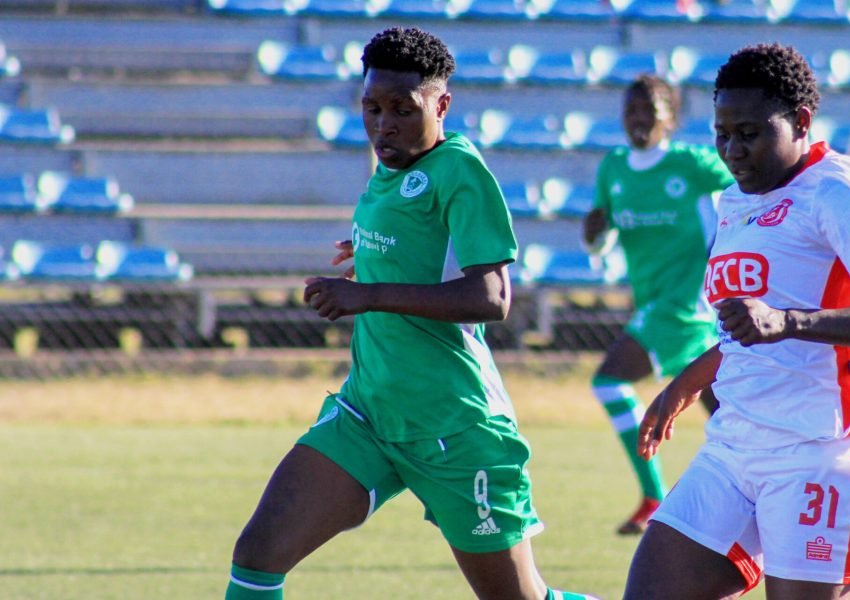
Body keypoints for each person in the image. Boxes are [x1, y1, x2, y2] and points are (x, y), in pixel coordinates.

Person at [225, 27, 591, 600]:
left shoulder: (459, 171)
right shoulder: (387, 168)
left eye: (402, 108)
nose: (383, 123)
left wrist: (368, 295)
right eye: (371, 107)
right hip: (369, 413)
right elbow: (417, 250)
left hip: (454, 427)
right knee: (258, 554)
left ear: (441, 104)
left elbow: (492, 298)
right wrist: (365, 262)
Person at [624, 43, 850, 600]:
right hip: (735, 446)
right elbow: (746, 330)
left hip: (823, 452)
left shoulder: (838, 190)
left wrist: (789, 321)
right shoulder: (736, 200)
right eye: (722, 133)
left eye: (750, 133)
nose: (733, 150)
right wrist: (685, 384)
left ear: (801, 121)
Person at [581, 73, 734, 535]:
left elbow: (750, 185)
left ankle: (654, 497)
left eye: (650, 111)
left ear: (671, 119)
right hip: (654, 302)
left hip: (684, 305)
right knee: (724, 412)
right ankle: (766, 484)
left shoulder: (691, 163)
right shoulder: (614, 168)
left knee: (610, 380)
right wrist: (593, 234)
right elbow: (599, 240)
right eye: (631, 111)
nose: (639, 120)